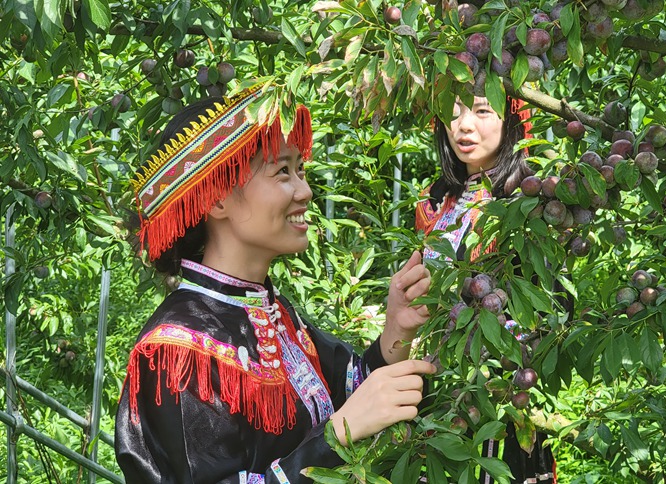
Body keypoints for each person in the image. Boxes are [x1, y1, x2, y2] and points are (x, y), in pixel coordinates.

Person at [116, 84, 436, 483]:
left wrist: (396, 330)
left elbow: (358, 393)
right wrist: (337, 438)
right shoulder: (177, 352)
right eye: (282, 171)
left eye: (300, 170)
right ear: (217, 200)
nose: (305, 190)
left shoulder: (276, 314)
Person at [415, 96, 557, 483]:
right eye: (454, 110)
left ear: (512, 116)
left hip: (500, 383)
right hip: (436, 380)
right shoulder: (436, 202)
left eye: (480, 110)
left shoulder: (530, 201)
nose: (463, 125)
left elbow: (550, 303)